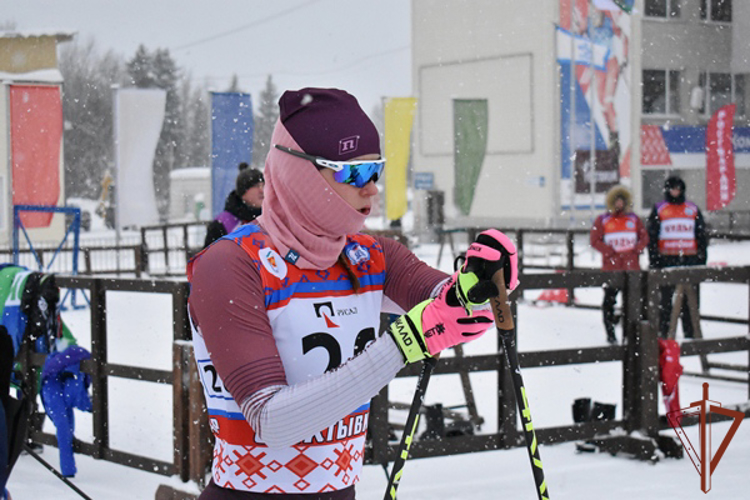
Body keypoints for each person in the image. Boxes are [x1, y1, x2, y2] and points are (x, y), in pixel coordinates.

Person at [187, 87, 519, 499]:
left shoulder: (370, 255)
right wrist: (405, 343)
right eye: (353, 173)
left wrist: (484, 283)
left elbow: (455, 310)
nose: (372, 188)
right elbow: (273, 423)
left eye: (375, 170)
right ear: (301, 174)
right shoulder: (229, 264)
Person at [647, 175, 708, 338]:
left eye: (678, 189)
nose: (675, 192)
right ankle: (664, 332)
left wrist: (701, 259)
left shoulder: (692, 209)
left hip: (690, 259)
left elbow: (701, 235)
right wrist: (655, 260)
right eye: (672, 188)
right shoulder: (660, 208)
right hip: (667, 259)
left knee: (691, 300)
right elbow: (652, 236)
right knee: (665, 300)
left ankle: (691, 331)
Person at [590, 185, 648, 344]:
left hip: (631, 267)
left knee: (633, 302)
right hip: (612, 268)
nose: (619, 204)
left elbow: (644, 238)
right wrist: (610, 252)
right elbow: (595, 240)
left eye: (622, 201)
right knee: (609, 302)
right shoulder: (603, 220)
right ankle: (610, 333)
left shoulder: (634, 219)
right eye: (617, 201)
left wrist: (635, 250)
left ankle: (630, 336)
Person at [203, 163, 264, 248]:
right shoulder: (222, 224)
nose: (262, 190)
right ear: (243, 192)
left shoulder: (271, 219)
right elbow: (209, 259)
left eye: (263, 185)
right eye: (256, 186)